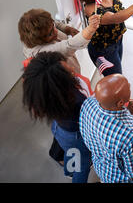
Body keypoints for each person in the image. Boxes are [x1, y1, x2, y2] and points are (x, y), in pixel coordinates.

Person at [22, 52, 94, 183]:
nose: (72, 69)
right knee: (81, 167)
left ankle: (69, 171)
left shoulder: (52, 96)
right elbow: (92, 117)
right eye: (68, 72)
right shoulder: (76, 100)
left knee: (70, 152)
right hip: (76, 137)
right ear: (60, 84)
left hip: (59, 129)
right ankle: (74, 176)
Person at [79, 74, 133, 183]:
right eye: (128, 87)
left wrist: (125, 111)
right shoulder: (130, 135)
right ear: (120, 103)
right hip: (120, 179)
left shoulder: (88, 103)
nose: (129, 85)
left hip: (103, 170)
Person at [18, 8, 100, 74]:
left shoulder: (46, 27)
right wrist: (89, 29)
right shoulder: (39, 53)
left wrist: (66, 28)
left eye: (53, 26)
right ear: (39, 40)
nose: (56, 31)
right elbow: (68, 46)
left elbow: (55, 23)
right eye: (50, 33)